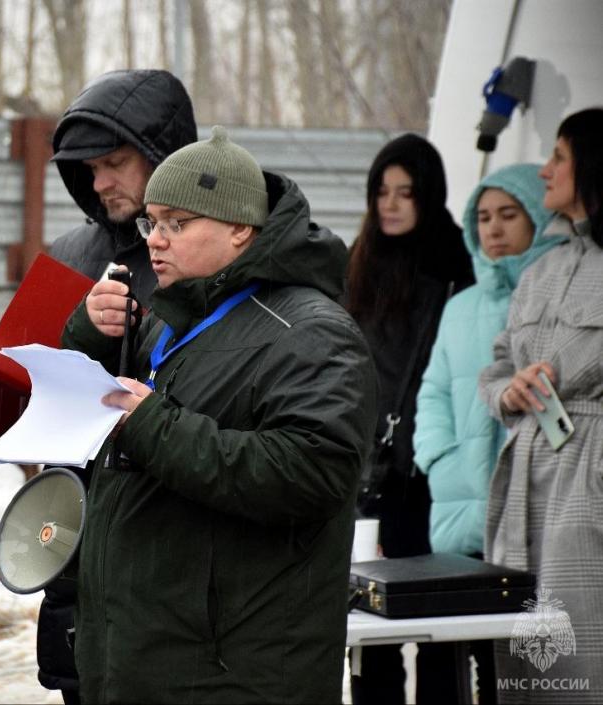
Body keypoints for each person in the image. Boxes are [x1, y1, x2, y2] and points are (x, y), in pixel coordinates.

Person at [0, 69, 196, 704]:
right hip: (74, 550)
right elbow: (24, 389)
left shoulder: (201, 261)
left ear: (164, 156)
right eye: (91, 167)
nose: (99, 181)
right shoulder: (72, 253)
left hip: (170, 561)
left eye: (115, 162)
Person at [60, 126, 376, 703]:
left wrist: (152, 424)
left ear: (239, 228)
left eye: (176, 224)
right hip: (142, 662)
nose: (155, 241)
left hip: (235, 674)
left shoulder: (312, 331)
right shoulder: (169, 318)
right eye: (151, 223)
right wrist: (91, 336)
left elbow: (311, 473)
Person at [413, 163, 562, 704]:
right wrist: (438, 458)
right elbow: (431, 394)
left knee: (542, 661)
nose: (494, 229)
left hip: (540, 508)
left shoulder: (559, 301)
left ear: (538, 218)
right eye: (483, 218)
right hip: (465, 504)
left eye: (508, 215)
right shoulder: (461, 307)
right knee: (479, 659)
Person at [344, 133, 474, 704]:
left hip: (433, 473)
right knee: (371, 627)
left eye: (406, 192)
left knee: (441, 627)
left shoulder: (455, 264)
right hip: (370, 472)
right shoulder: (360, 262)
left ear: (429, 195)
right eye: (382, 191)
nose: (390, 204)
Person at [479, 107, 603, 704]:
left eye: (559, 156)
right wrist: (509, 390)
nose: (545, 170)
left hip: (587, 472)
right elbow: (498, 363)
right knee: (523, 660)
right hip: (524, 475)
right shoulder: (540, 270)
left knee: (583, 660)